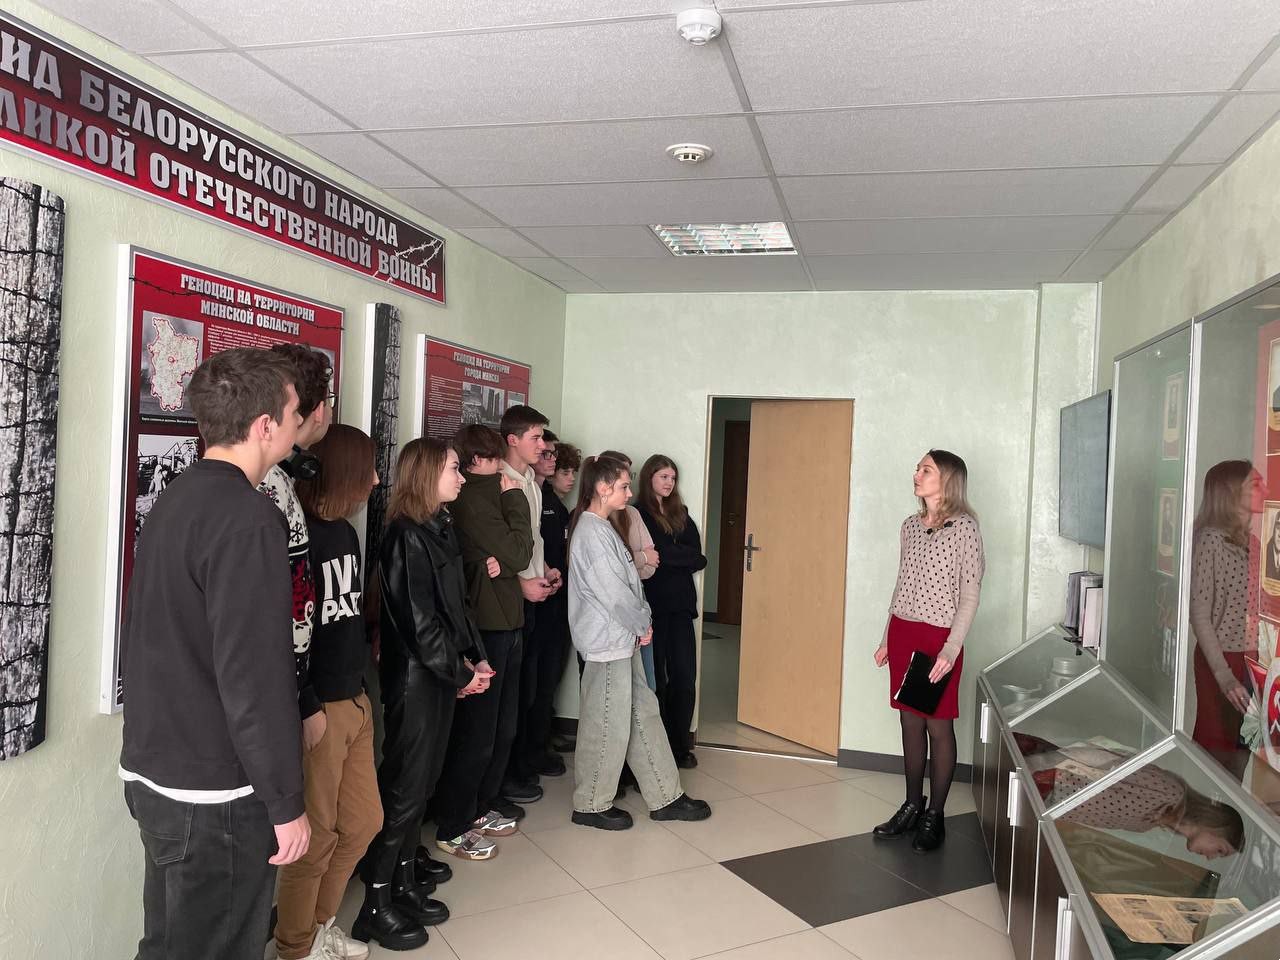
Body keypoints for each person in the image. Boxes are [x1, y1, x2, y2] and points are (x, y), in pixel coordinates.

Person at [120, 348, 310, 960]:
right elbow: (254, 677)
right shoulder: (248, 519)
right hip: (215, 796)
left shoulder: (174, 500)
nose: (299, 422)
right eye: (294, 412)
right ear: (265, 426)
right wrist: (286, 802)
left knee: (170, 943)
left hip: (157, 771)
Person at [353, 440, 492, 951]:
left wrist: (474, 658)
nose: (461, 476)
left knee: (426, 780)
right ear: (428, 473)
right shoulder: (405, 536)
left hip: (440, 674)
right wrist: (459, 674)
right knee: (405, 789)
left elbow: (457, 608)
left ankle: (405, 881)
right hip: (416, 680)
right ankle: (375, 902)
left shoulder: (439, 527)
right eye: (454, 468)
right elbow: (418, 624)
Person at [272, 425, 382, 960]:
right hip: (320, 709)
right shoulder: (301, 537)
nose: (376, 481)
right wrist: (307, 703)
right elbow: (286, 633)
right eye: (368, 470)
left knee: (363, 823)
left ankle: (319, 927)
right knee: (314, 841)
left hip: (354, 698)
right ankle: (296, 947)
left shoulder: (345, 533)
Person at [568, 455, 712, 831]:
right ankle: (590, 803)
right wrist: (642, 622)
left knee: (642, 714)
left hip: (624, 640)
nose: (630, 493)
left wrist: (639, 623)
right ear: (602, 489)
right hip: (607, 644)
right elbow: (614, 594)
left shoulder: (604, 528)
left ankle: (665, 795)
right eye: (623, 486)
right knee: (606, 721)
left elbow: (628, 583)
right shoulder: (591, 533)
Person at [873, 450, 984, 853]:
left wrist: (951, 649)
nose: (917, 474)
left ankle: (934, 815)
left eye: (926, 470)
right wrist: (887, 637)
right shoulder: (909, 526)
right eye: (918, 468)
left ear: (947, 479)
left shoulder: (965, 528)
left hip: (938, 639)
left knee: (937, 726)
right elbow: (901, 583)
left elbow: (970, 595)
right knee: (909, 721)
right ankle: (911, 805)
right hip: (904, 632)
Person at [431, 424, 532, 859]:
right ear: (477, 462)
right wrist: (515, 501)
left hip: (507, 618)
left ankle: (480, 806)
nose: (502, 467)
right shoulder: (478, 497)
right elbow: (521, 552)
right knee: (479, 732)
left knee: (501, 727)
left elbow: (513, 556)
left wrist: (505, 563)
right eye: (493, 459)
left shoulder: (490, 491)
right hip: (487, 626)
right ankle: (458, 818)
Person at [257, 344, 334, 761]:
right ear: (317, 410)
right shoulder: (270, 486)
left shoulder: (277, 478)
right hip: (273, 701)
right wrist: (303, 698)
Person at [1017, 737, 1244, 860]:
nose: (1210, 858)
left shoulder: (1151, 824)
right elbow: (1105, 759)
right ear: (1217, 827)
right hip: (1046, 776)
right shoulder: (1170, 793)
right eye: (1220, 850)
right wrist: (1039, 764)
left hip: (1047, 798)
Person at [498, 405, 556, 804]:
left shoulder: (532, 482)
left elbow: (532, 542)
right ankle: (505, 778)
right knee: (510, 698)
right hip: (511, 600)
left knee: (528, 690)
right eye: (535, 437)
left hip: (535, 597)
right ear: (512, 439)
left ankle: (521, 765)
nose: (542, 445)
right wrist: (521, 585)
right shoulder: (501, 482)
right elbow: (496, 548)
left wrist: (545, 569)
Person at [1190, 460, 1262, 780]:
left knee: (1242, 750)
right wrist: (1224, 676)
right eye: (1255, 485)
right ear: (1231, 493)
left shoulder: (1255, 545)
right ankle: (1206, 811)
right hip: (1221, 660)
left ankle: (1229, 813)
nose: (1265, 490)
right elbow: (1199, 614)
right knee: (1215, 754)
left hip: (1253, 661)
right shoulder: (1210, 540)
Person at [637, 455, 707, 769]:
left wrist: (666, 556)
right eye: (663, 476)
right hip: (653, 608)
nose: (669, 483)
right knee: (657, 679)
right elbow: (650, 556)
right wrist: (674, 556)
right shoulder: (638, 513)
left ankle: (680, 746)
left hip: (681, 607)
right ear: (649, 477)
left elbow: (698, 558)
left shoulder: (681, 513)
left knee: (684, 676)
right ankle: (658, 745)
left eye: (673, 478)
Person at [520, 432, 579, 778]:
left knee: (548, 678)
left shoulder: (553, 502)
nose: (551, 459)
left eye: (554, 454)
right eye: (546, 453)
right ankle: (531, 750)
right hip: (537, 604)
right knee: (534, 682)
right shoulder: (532, 496)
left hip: (555, 601)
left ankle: (540, 743)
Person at [599, 449, 660, 689]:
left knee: (646, 683)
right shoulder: (592, 523)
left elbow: (652, 563)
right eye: (623, 484)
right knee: (611, 689)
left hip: (637, 601)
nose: (629, 491)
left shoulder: (633, 513)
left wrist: (637, 562)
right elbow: (611, 570)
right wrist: (640, 557)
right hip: (609, 617)